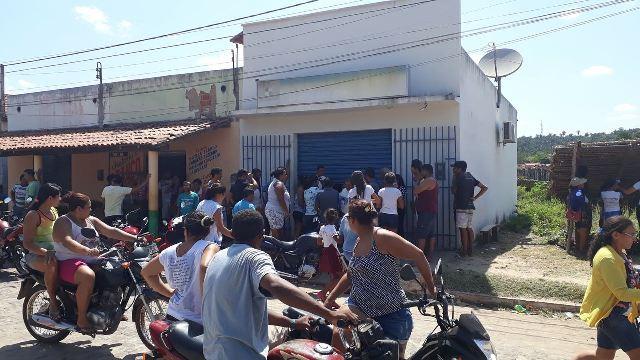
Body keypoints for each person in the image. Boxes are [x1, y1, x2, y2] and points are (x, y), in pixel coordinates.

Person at [202, 209, 355, 359]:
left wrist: (293, 322)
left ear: (233, 233)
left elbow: (249, 311)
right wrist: (329, 314)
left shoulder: (218, 257)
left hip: (212, 350)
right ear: (262, 234)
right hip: (243, 354)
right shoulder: (255, 256)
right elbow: (276, 286)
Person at [324, 200, 437, 359]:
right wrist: (330, 299)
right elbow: (351, 274)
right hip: (360, 307)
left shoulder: (382, 237)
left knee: (395, 356)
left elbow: (418, 254)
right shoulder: (359, 240)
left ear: (353, 220)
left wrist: (431, 288)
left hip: (392, 313)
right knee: (339, 330)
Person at [52, 192, 138, 332]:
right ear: (79, 209)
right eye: (89, 207)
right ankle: (81, 319)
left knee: (118, 270)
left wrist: (134, 238)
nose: (91, 209)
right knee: (88, 276)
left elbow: (111, 231)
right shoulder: (63, 221)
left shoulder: (91, 220)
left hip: (91, 260)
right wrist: (86, 250)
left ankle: (110, 308)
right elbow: (68, 241)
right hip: (68, 261)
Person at [574, 216, 640, 360]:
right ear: (616, 235)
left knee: (603, 358)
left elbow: (628, 278)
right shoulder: (607, 258)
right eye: (631, 234)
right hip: (613, 316)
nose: (634, 238)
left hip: (611, 314)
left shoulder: (618, 252)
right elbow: (622, 293)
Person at [141, 211, 220, 324]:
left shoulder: (168, 252)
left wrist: (169, 293)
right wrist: (207, 302)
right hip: (198, 320)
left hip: (173, 315)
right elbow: (204, 266)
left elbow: (146, 272)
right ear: (207, 231)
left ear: (185, 231)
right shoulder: (209, 247)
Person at [22, 183, 62, 321]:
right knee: (52, 264)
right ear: (50, 198)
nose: (60, 199)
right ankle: (53, 303)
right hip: (35, 255)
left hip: (56, 252)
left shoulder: (54, 212)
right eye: (58, 196)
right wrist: (45, 252)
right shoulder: (33, 215)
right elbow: (27, 243)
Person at [451, 161, 487, 257]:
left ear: (459, 169)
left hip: (461, 206)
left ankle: (464, 251)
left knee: (462, 229)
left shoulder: (458, 178)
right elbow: (484, 188)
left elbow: (453, 191)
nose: (453, 170)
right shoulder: (470, 177)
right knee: (468, 228)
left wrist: (454, 180)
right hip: (470, 206)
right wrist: (475, 198)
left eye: (454, 168)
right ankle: (470, 249)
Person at [316, 209, 345, 302]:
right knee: (339, 277)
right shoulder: (332, 228)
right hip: (332, 252)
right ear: (336, 218)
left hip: (325, 251)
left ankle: (331, 299)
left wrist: (326, 240)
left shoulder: (322, 228)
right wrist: (342, 235)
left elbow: (319, 242)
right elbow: (339, 241)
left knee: (333, 277)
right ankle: (323, 293)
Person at [415, 164, 439, 259]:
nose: (420, 173)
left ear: (426, 171)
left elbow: (416, 190)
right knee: (431, 234)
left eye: (422, 171)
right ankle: (429, 256)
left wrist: (419, 181)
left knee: (422, 235)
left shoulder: (429, 180)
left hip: (426, 211)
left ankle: (419, 258)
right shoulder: (432, 181)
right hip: (430, 211)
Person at [264, 167, 291, 239]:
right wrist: (286, 212)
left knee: (275, 232)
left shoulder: (276, 182)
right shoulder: (278, 184)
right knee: (277, 233)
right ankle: (275, 249)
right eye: (285, 174)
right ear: (280, 175)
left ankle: (274, 248)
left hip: (275, 211)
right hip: (275, 211)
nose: (286, 176)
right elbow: (281, 199)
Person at [569, 177, 591, 256]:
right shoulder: (579, 193)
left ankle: (578, 247)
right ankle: (581, 250)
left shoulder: (573, 192)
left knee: (578, 229)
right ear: (578, 185)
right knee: (583, 231)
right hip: (582, 213)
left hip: (577, 213)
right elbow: (582, 203)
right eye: (582, 183)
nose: (583, 184)